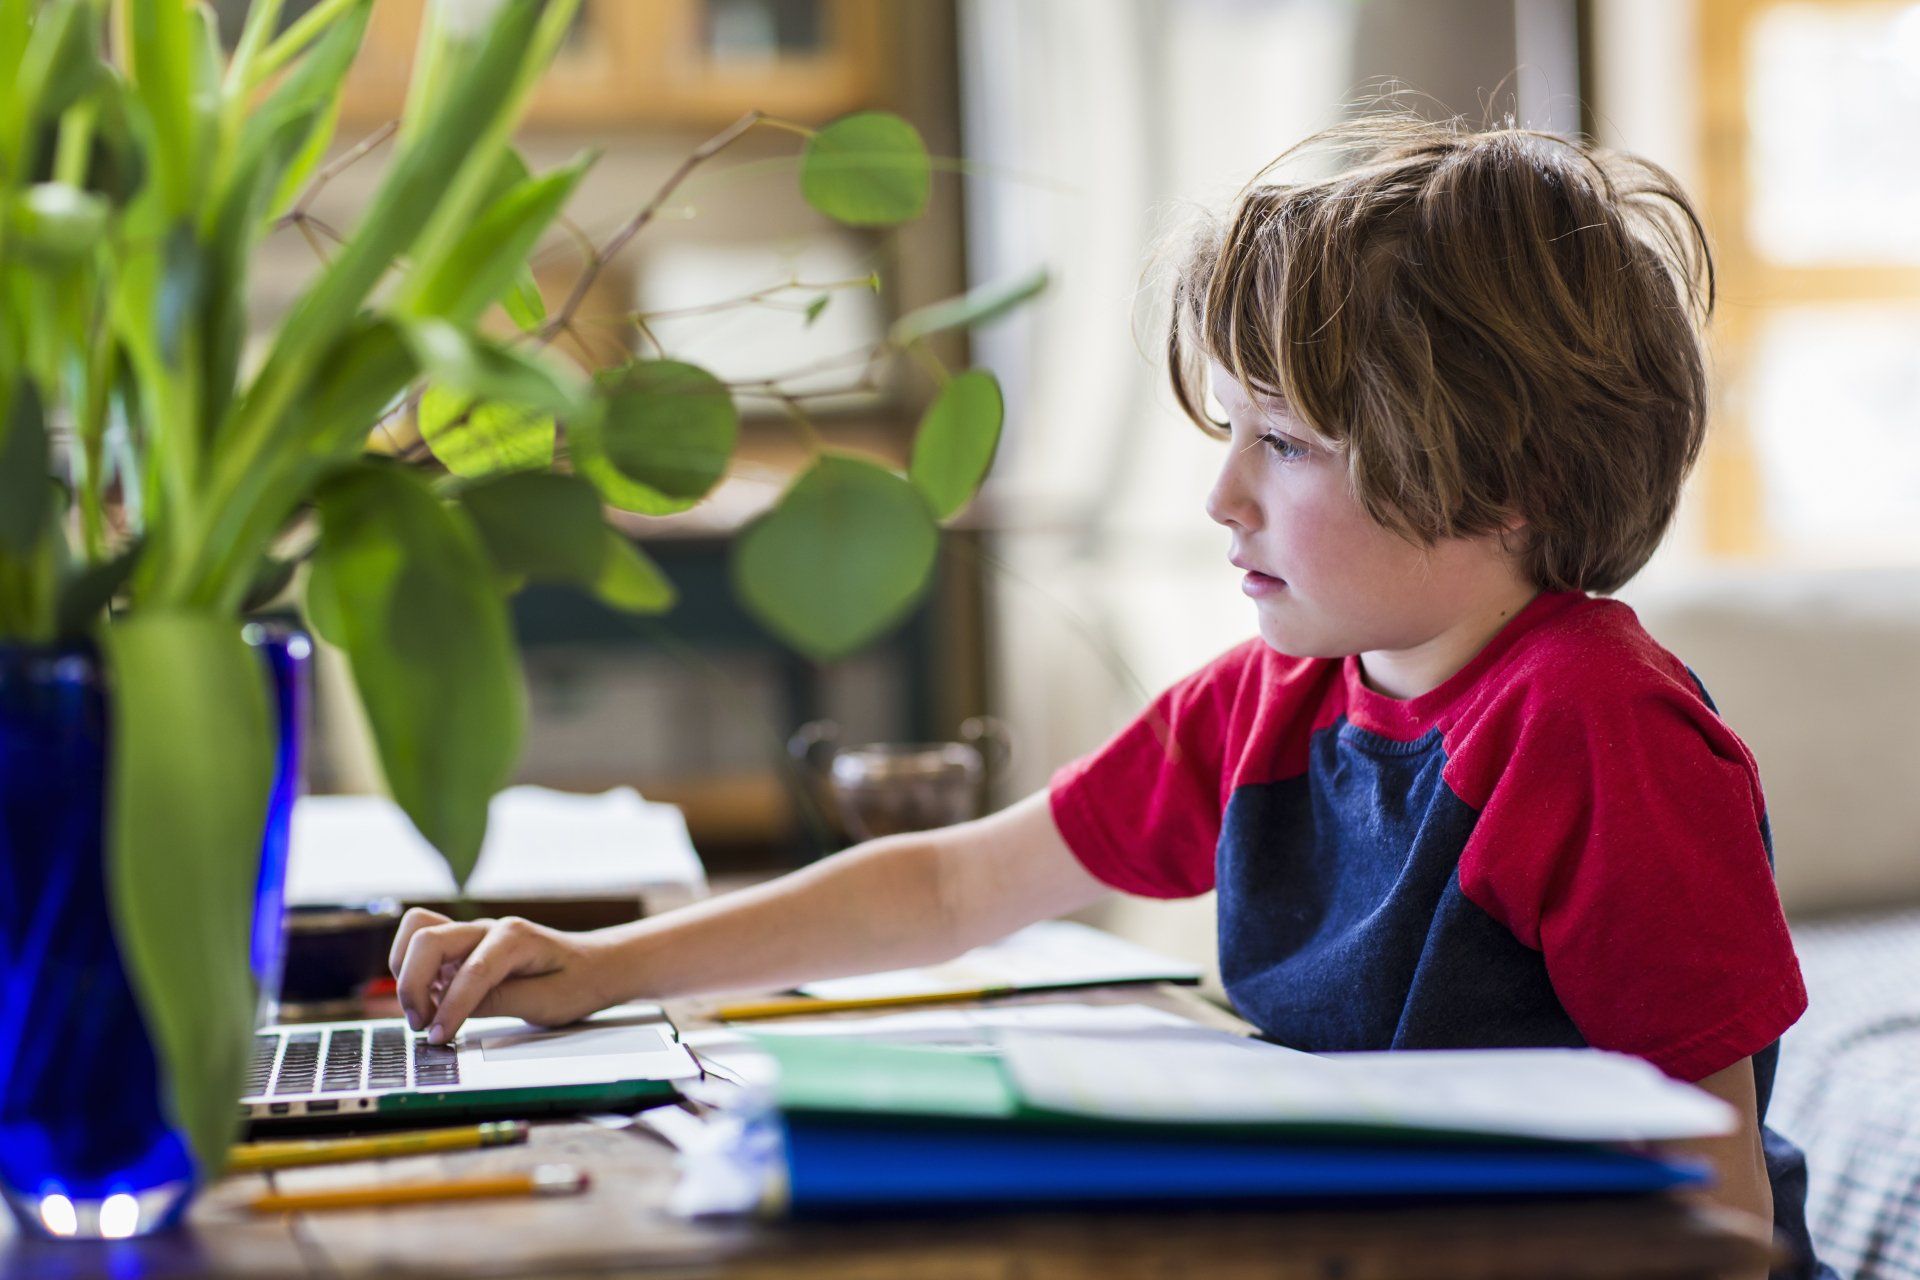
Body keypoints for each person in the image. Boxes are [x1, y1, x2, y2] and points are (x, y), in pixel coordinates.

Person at [389, 113, 1824, 1278]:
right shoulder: (1276, 702)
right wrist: (606, 967)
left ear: (1503, 478)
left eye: (1286, 442)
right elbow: (956, 888)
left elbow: (1718, 1218)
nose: (1224, 496)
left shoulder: (1592, 724)